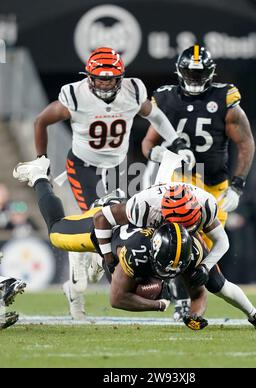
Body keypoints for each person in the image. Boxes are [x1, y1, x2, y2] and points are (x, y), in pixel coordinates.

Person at [13, 156, 256, 329]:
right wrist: (108, 257)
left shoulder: (205, 205)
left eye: (189, 225)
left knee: (214, 282)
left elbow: (222, 243)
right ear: (163, 216)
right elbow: (103, 221)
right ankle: (39, 175)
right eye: (177, 224)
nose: (182, 229)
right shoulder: (143, 208)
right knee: (58, 234)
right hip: (116, 229)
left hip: (161, 241)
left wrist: (206, 267)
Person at [33, 47, 195, 313]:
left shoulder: (132, 91)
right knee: (103, 222)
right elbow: (41, 121)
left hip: (118, 166)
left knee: (116, 227)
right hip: (84, 167)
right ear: (88, 76)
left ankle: (80, 273)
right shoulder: (75, 95)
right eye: (100, 78)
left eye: (111, 78)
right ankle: (80, 272)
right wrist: (41, 158)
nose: (106, 83)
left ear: (121, 77)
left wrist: (175, 140)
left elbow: (154, 114)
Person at [141, 44, 255, 319]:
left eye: (200, 74)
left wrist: (237, 185)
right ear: (179, 73)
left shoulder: (224, 99)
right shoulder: (166, 99)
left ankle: (190, 296)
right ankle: (180, 299)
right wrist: (155, 153)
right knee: (178, 241)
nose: (194, 79)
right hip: (181, 180)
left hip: (215, 185)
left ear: (211, 73)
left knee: (204, 249)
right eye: (189, 74)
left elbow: (245, 142)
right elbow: (148, 143)